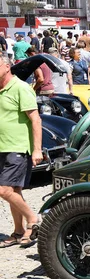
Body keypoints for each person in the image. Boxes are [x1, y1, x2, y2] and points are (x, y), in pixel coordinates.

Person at [0, 56, 43, 248]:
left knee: (4, 190)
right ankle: (19, 231)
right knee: (14, 191)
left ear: (7, 67)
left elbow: (36, 120)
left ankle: (33, 219)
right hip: (3, 146)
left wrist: (37, 150)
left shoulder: (21, 88)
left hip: (18, 147)